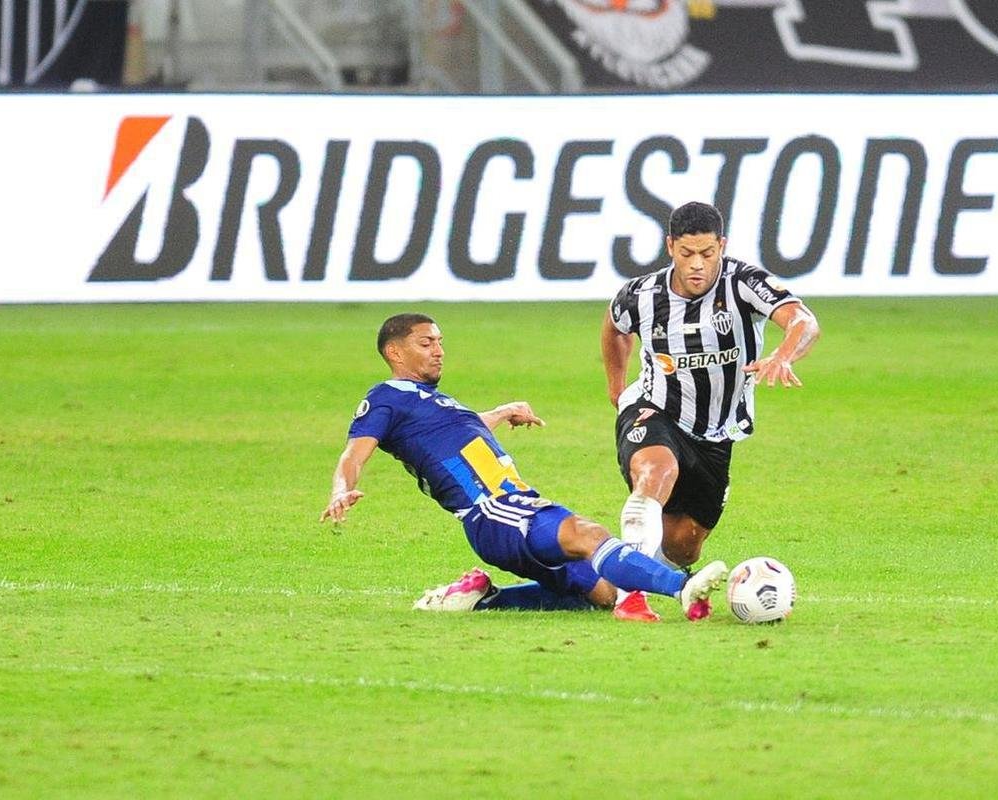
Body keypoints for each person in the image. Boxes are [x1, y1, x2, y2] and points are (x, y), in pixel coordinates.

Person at [320, 312, 728, 620]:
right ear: (395, 352)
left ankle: (484, 596)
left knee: (601, 594)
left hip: (505, 509)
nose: (439, 350)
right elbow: (354, 453)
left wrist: (502, 411)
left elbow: (459, 435)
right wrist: (341, 489)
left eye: (440, 342)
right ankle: (683, 587)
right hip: (494, 508)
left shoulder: (430, 404)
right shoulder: (387, 397)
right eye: (426, 343)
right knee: (588, 534)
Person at [598, 201, 820, 622]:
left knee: (683, 545)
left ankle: (604, 574)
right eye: (686, 254)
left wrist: (784, 355)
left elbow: (803, 320)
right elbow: (614, 326)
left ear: (722, 245)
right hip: (655, 409)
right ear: (670, 247)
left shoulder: (744, 283)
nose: (697, 265)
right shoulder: (642, 295)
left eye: (707, 253)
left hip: (716, 433)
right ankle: (631, 598)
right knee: (654, 474)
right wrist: (616, 388)